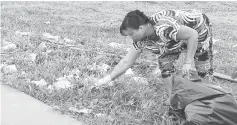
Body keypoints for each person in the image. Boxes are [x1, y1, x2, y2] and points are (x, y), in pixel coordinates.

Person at [95, 9, 214, 102]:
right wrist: (107, 79)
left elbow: (192, 35)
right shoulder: (141, 40)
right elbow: (126, 61)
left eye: (131, 34)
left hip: (197, 27)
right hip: (173, 37)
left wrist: (187, 62)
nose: (131, 38)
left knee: (202, 62)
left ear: (141, 28)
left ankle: (210, 97)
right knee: (165, 62)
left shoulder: (164, 26)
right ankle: (172, 98)